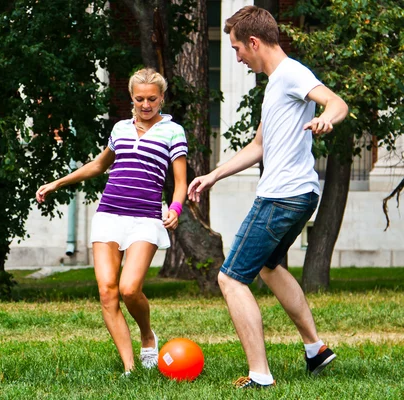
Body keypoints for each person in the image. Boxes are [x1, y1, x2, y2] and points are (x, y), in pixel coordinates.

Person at [188, 6, 348, 389]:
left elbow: (337, 102)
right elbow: (259, 145)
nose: (238, 56)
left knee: (230, 279)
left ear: (254, 42)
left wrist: (328, 116)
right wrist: (213, 175)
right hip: (300, 194)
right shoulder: (276, 83)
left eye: (238, 49)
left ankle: (260, 375)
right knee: (269, 267)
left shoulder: (292, 74)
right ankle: (316, 349)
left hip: (281, 196)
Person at [36, 68, 188, 375]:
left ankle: (147, 335)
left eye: (152, 99)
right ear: (131, 98)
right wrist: (57, 183)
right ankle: (131, 368)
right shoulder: (120, 129)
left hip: (146, 218)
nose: (146, 105)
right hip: (109, 215)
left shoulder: (173, 131)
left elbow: (181, 181)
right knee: (107, 291)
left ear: (162, 98)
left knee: (130, 289)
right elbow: (98, 165)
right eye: (140, 98)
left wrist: (175, 207)